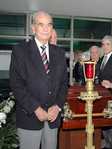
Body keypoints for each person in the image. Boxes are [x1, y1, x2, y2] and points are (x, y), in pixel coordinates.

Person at [9, 11, 68, 149]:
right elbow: (16, 85)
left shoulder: (59, 53)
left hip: (53, 118)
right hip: (29, 117)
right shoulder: (20, 50)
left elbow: (64, 84)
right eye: (41, 25)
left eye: (49, 25)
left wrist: (57, 106)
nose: (46, 29)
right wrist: (35, 108)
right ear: (33, 28)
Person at [98, 36, 112, 149]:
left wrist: (111, 83)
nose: (105, 46)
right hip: (102, 98)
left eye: (108, 44)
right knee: (104, 125)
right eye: (103, 44)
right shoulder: (101, 59)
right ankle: (107, 145)